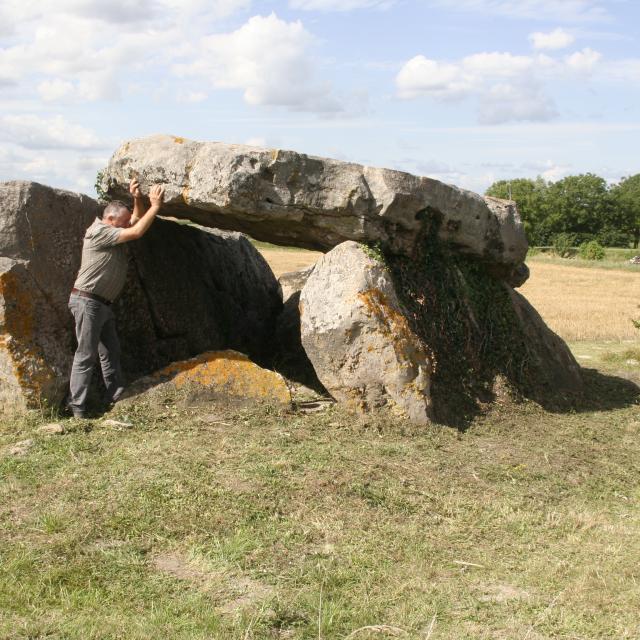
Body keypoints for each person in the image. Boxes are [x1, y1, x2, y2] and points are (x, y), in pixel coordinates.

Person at [67, 178, 165, 418]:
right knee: (86, 354)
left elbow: (133, 221)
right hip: (88, 302)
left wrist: (136, 199)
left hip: (101, 304)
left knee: (111, 350)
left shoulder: (112, 227)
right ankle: (77, 406)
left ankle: (115, 394)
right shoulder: (100, 232)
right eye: (120, 223)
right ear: (110, 220)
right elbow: (136, 230)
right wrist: (155, 206)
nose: (124, 226)